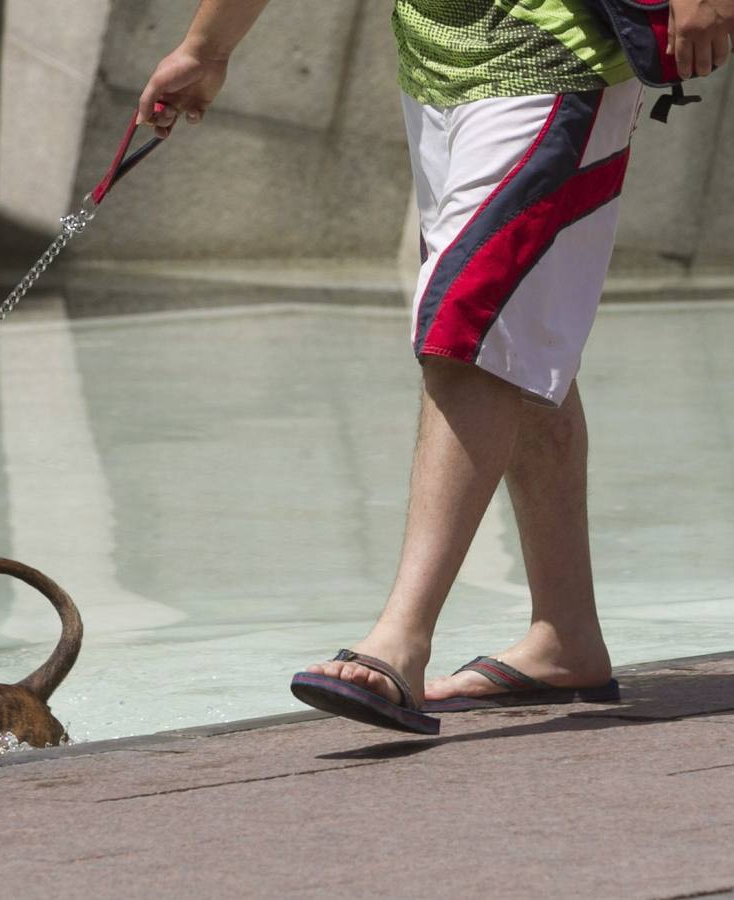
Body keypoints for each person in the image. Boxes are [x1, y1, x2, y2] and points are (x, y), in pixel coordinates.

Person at [136, 0, 734, 733]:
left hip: (550, 51)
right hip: (434, 60)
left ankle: (400, 639)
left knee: (469, 328)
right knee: (518, 335)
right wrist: (207, 46)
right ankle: (565, 638)